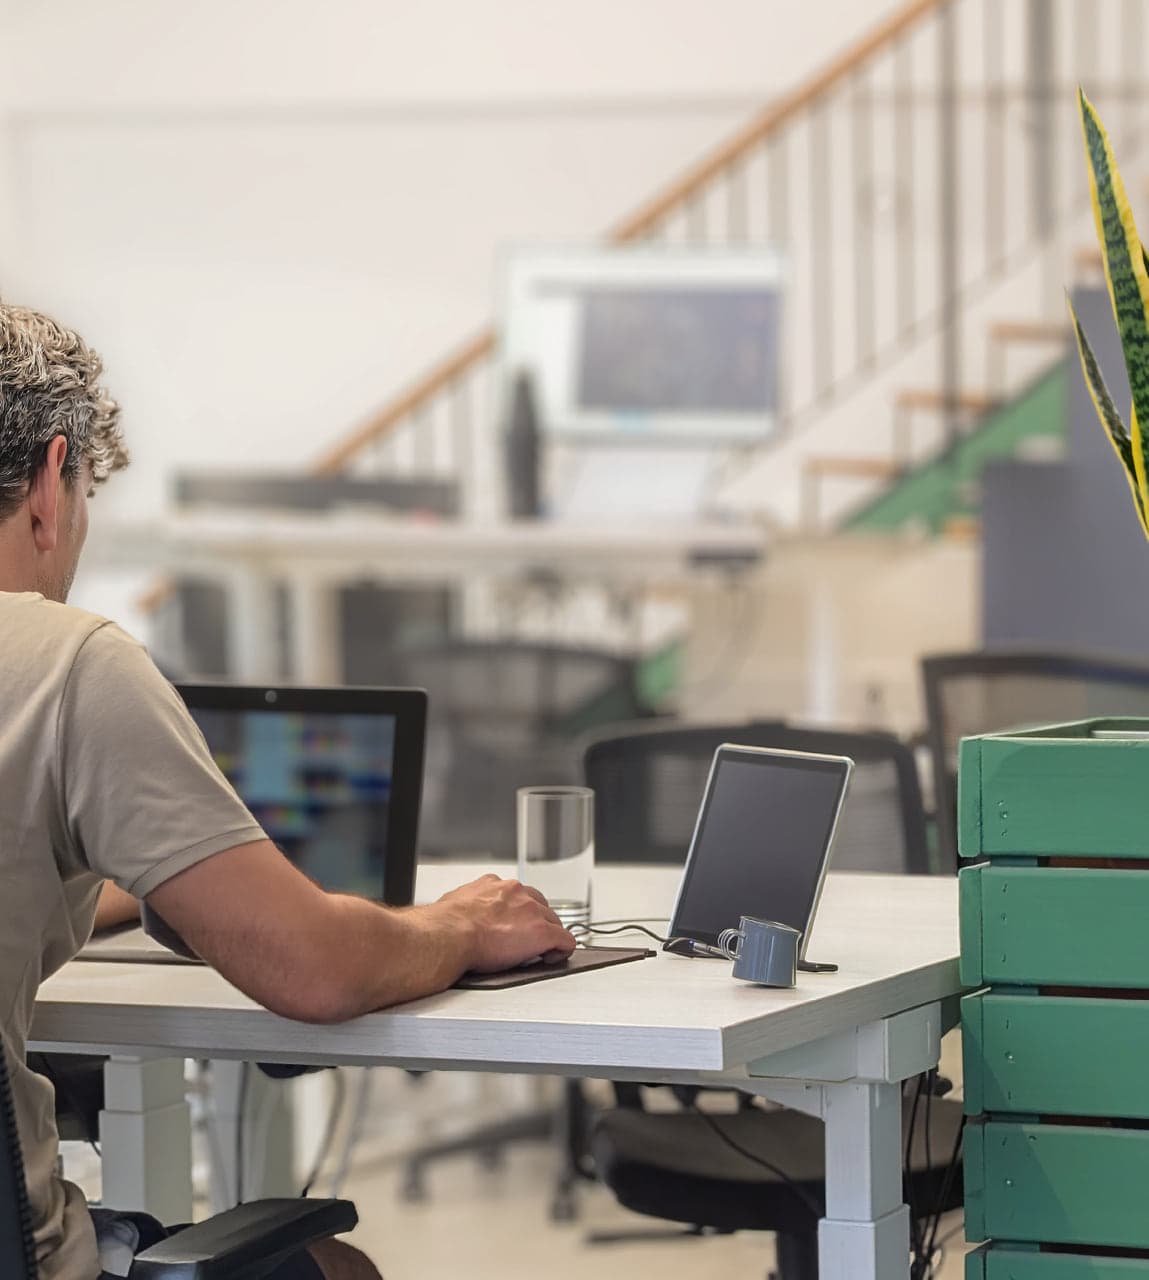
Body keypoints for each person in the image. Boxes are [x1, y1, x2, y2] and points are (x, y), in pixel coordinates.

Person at [0, 301, 577, 1280]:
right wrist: (462, 926)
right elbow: (314, 969)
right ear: (54, 480)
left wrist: (163, 880)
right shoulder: (64, 662)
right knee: (332, 1263)